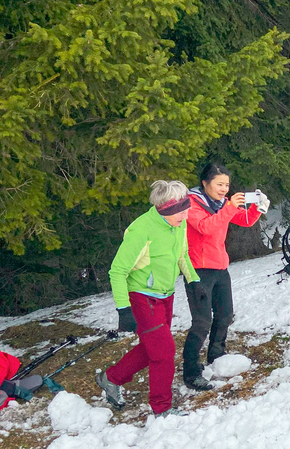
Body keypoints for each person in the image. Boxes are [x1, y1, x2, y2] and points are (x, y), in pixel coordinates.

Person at [95, 180, 200, 417]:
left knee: (151, 348)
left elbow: (182, 254)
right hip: (141, 297)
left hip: (165, 296)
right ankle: (161, 408)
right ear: (166, 209)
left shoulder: (177, 224)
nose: (185, 216)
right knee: (163, 352)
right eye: (181, 212)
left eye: (187, 210)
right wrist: (124, 309)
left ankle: (110, 378)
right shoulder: (141, 230)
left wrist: (194, 282)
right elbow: (117, 271)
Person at [182, 163, 270, 390]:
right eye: (219, 184)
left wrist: (258, 209)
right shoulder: (191, 203)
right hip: (197, 269)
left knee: (225, 314)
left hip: (220, 267)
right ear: (205, 183)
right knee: (201, 322)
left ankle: (216, 356)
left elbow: (245, 220)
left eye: (227, 185)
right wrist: (229, 207)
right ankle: (191, 372)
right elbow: (205, 227)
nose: (224, 189)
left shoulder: (222, 204)